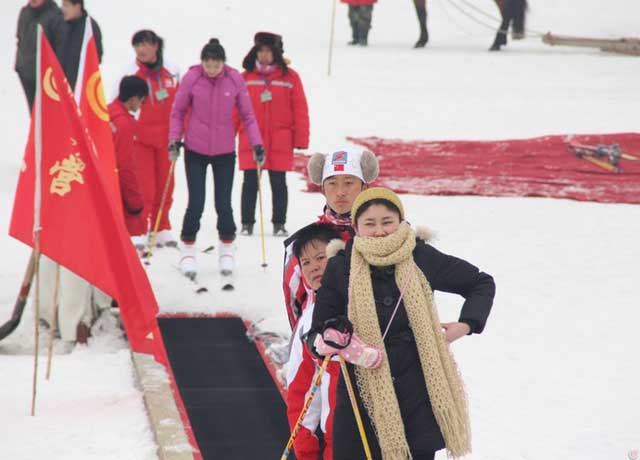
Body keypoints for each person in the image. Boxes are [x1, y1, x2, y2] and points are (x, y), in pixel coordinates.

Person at [309, 187, 496, 460]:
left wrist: (466, 324)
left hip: (418, 391)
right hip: (362, 397)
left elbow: (480, 282)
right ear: (357, 228)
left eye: (387, 222)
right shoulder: (342, 266)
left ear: (401, 222)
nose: (380, 230)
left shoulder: (420, 256)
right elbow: (317, 333)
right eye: (369, 224)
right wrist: (341, 343)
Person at [282, 148, 379, 459]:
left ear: (365, 185)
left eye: (349, 183)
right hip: (322, 340)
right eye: (333, 184)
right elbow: (293, 299)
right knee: (324, 418)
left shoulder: (382, 231)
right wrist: (309, 335)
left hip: (378, 340)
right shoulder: (304, 240)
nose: (341, 193)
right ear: (321, 187)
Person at [169, 38, 263, 281]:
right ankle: (188, 248)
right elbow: (178, 111)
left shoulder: (234, 79)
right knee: (196, 202)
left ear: (223, 63)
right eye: (208, 64)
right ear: (202, 63)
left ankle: (227, 247)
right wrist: (174, 139)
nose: (212, 69)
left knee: (223, 203)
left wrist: (257, 144)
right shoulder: (192, 78)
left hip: (223, 151)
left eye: (216, 64)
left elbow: (248, 115)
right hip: (195, 149)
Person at [237, 32, 309, 237]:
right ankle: (246, 223)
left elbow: (300, 109)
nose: (265, 55)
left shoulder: (290, 77)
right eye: (261, 51)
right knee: (250, 183)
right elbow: (235, 110)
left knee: (278, 183)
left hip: (281, 140)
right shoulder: (245, 78)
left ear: (276, 53)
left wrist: (301, 139)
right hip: (251, 139)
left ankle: (279, 223)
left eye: (269, 51)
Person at [115, 29, 180, 250]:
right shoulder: (129, 72)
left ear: (156, 46)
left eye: (144, 44)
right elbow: (117, 103)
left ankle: (161, 227)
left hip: (167, 138)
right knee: (144, 187)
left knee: (166, 185)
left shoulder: (172, 69)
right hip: (140, 138)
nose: (141, 50)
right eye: (137, 46)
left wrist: (181, 132)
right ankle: (140, 228)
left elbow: (181, 103)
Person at [286, 223, 342, 460]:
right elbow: (301, 389)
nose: (314, 267)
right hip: (338, 442)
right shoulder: (309, 320)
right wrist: (305, 449)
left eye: (321, 257)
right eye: (306, 263)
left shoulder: (372, 299)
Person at [108, 76, 148, 243]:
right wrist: (135, 203)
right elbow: (125, 166)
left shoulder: (107, 111)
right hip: (114, 191)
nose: (141, 105)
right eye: (142, 101)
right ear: (133, 99)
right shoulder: (124, 125)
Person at [15, 0, 65, 110]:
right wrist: (19, 66)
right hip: (26, 75)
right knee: (34, 117)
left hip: (46, 80)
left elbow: (60, 49)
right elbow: (20, 39)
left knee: (48, 117)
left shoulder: (56, 17)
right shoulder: (25, 13)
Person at [59, 0, 103, 90]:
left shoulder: (90, 27)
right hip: (61, 86)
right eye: (62, 6)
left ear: (78, 7)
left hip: (81, 88)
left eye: (66, 6)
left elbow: (96, 58)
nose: (63, 9)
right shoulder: (61, 25)